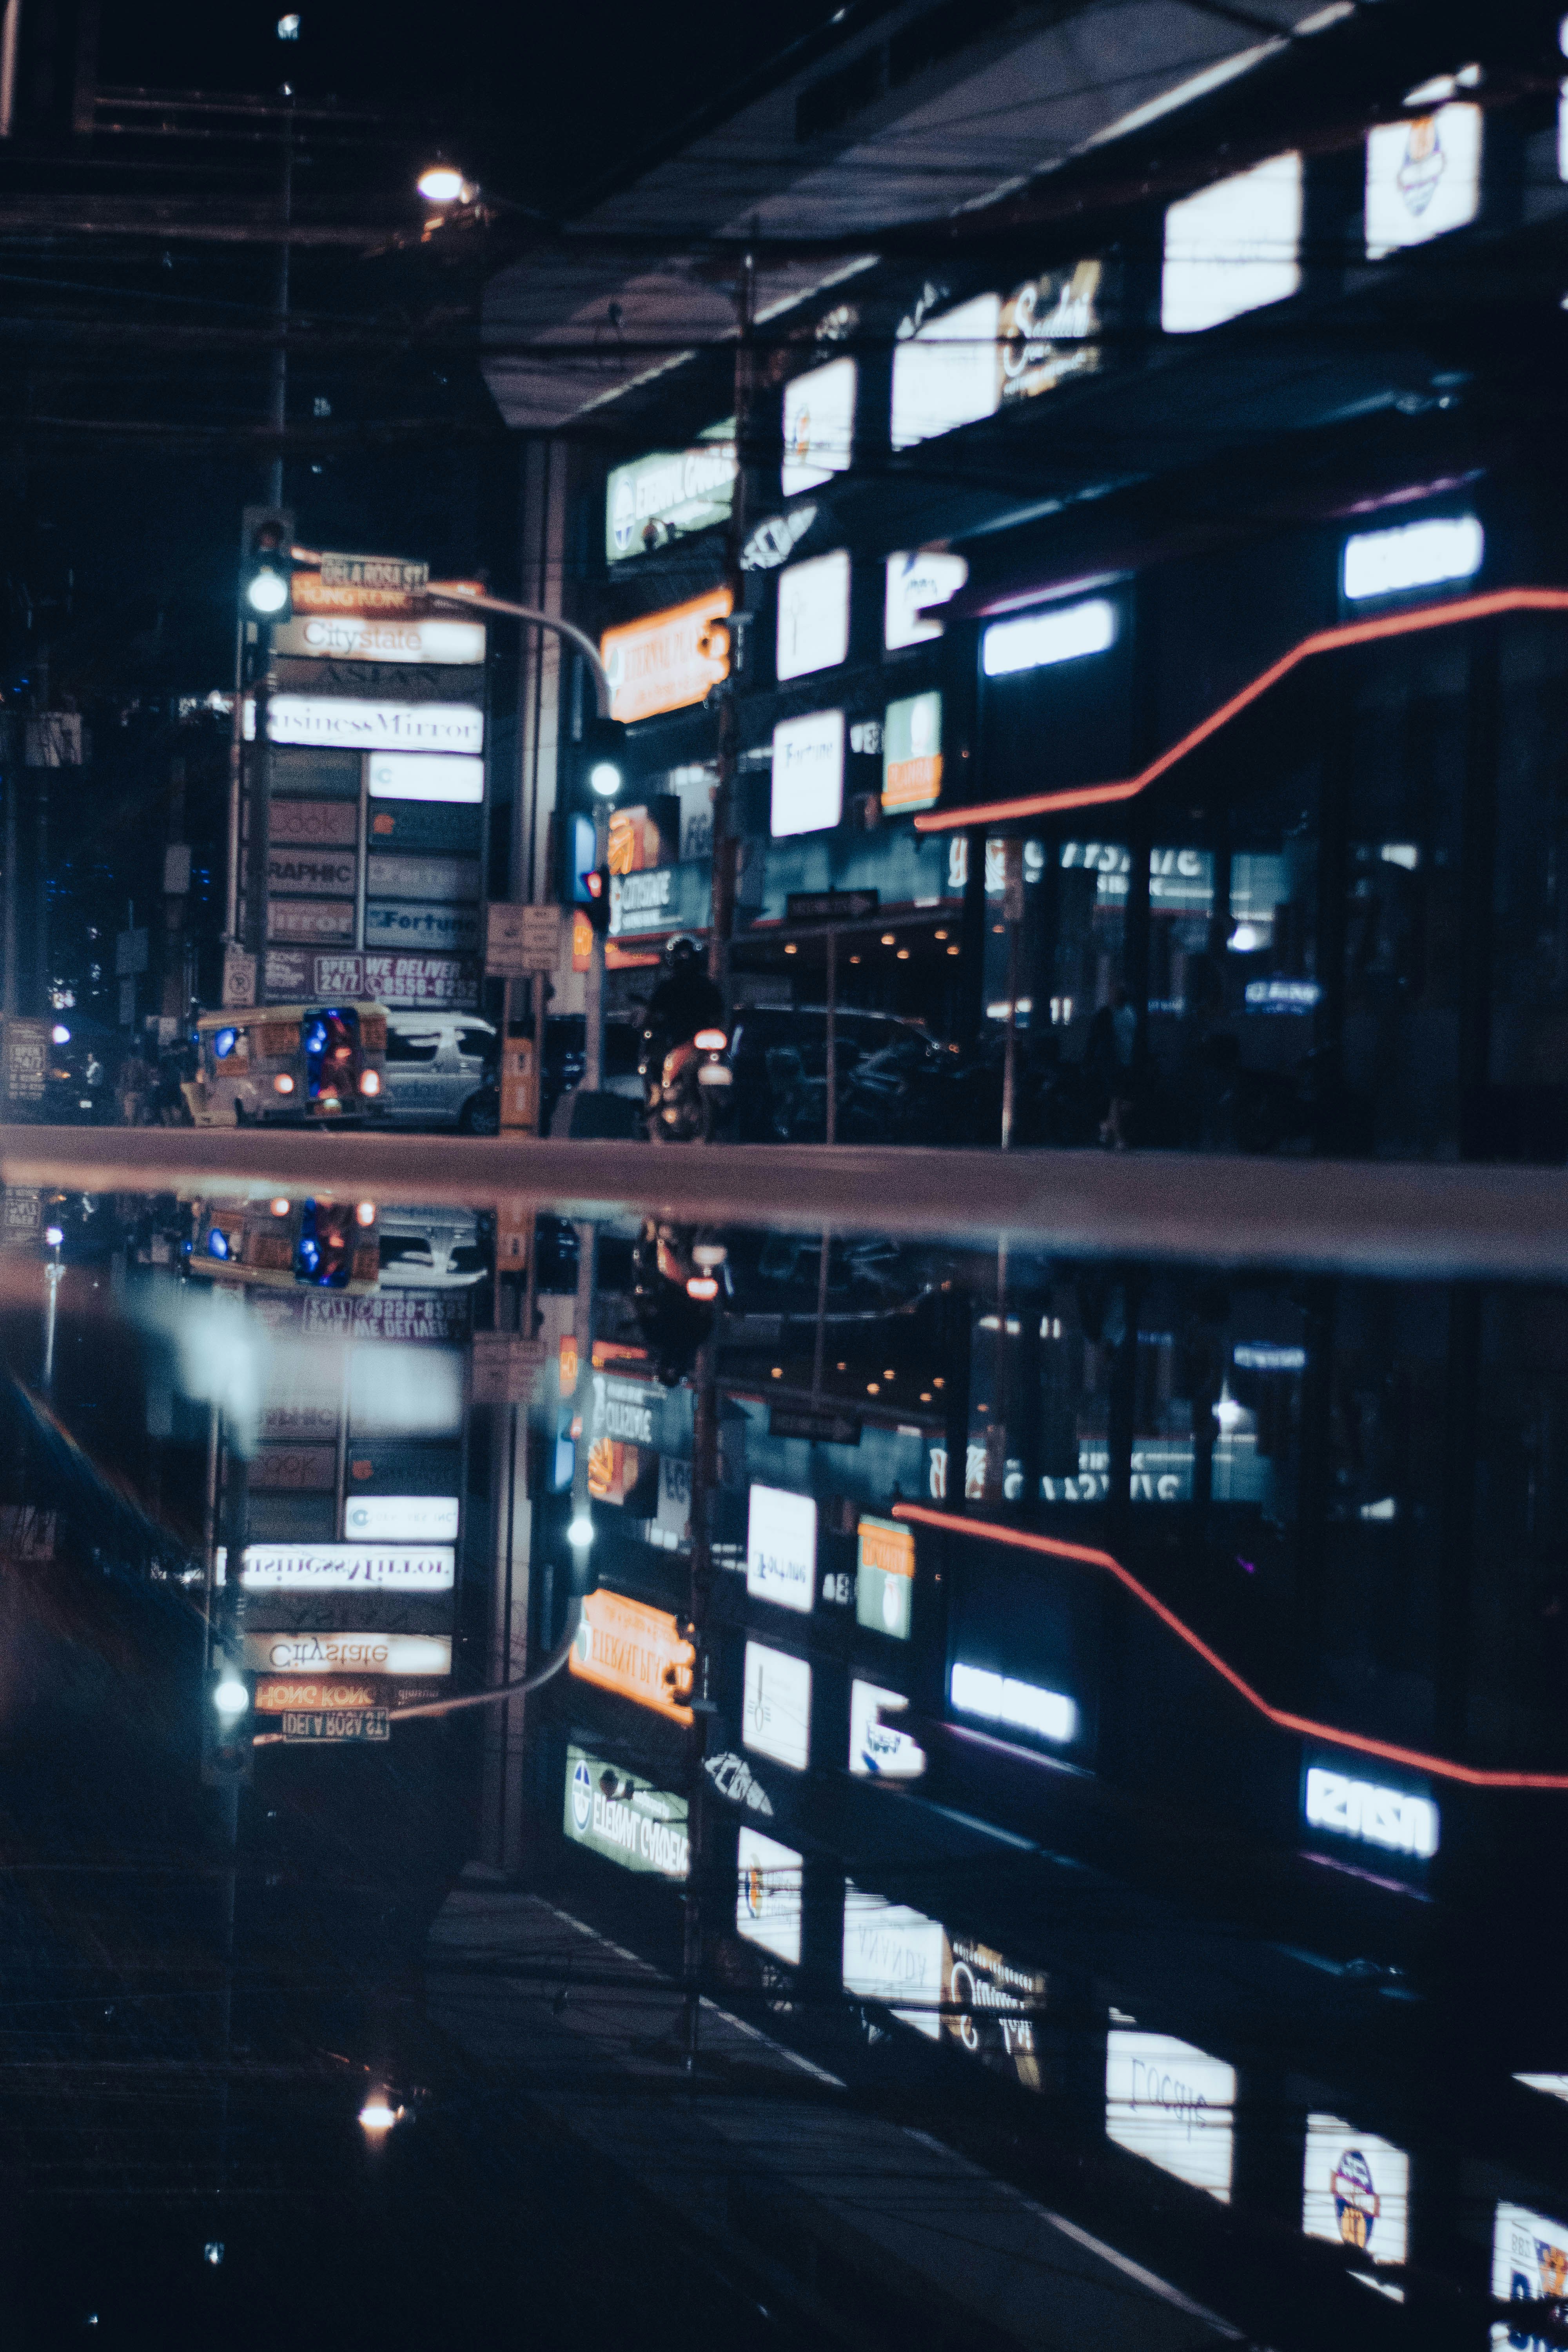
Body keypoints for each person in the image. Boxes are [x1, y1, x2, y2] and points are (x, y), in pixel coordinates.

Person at [644, 936, 723, 1056]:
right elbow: (653, 1012)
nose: (685, 963)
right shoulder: (667, 987)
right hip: (672, 1040)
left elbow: (718, 1013)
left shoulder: (705, 986)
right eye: (681, 958)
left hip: (700, 1041)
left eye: (688, 957)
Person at [1084, 984, 1141, 1149]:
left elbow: (1134, 1038)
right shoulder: (1106, 1014)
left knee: (1130, 1100)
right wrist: (1090, 1060)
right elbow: (1094, 1038)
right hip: (1111, 1062)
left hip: (1127, 1062)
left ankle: (1107, 1126)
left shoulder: (1131, 1013)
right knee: (1116, 1099)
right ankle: (1119, 1139)